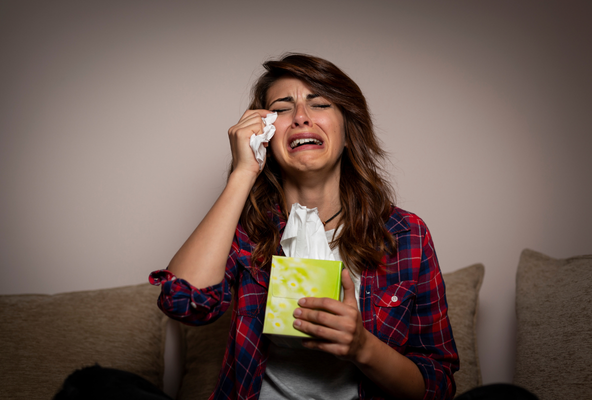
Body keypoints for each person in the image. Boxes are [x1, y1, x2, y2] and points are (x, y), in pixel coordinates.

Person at [149, 53, 459, 400]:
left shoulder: (405, 234)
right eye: (281, 108)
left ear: (347, 133)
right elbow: (183, 303)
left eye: (320, 103)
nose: (300, 117)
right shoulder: (246, 230)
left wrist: (362, 347)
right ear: (264, 133)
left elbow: (438, 386)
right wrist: (243, 173)